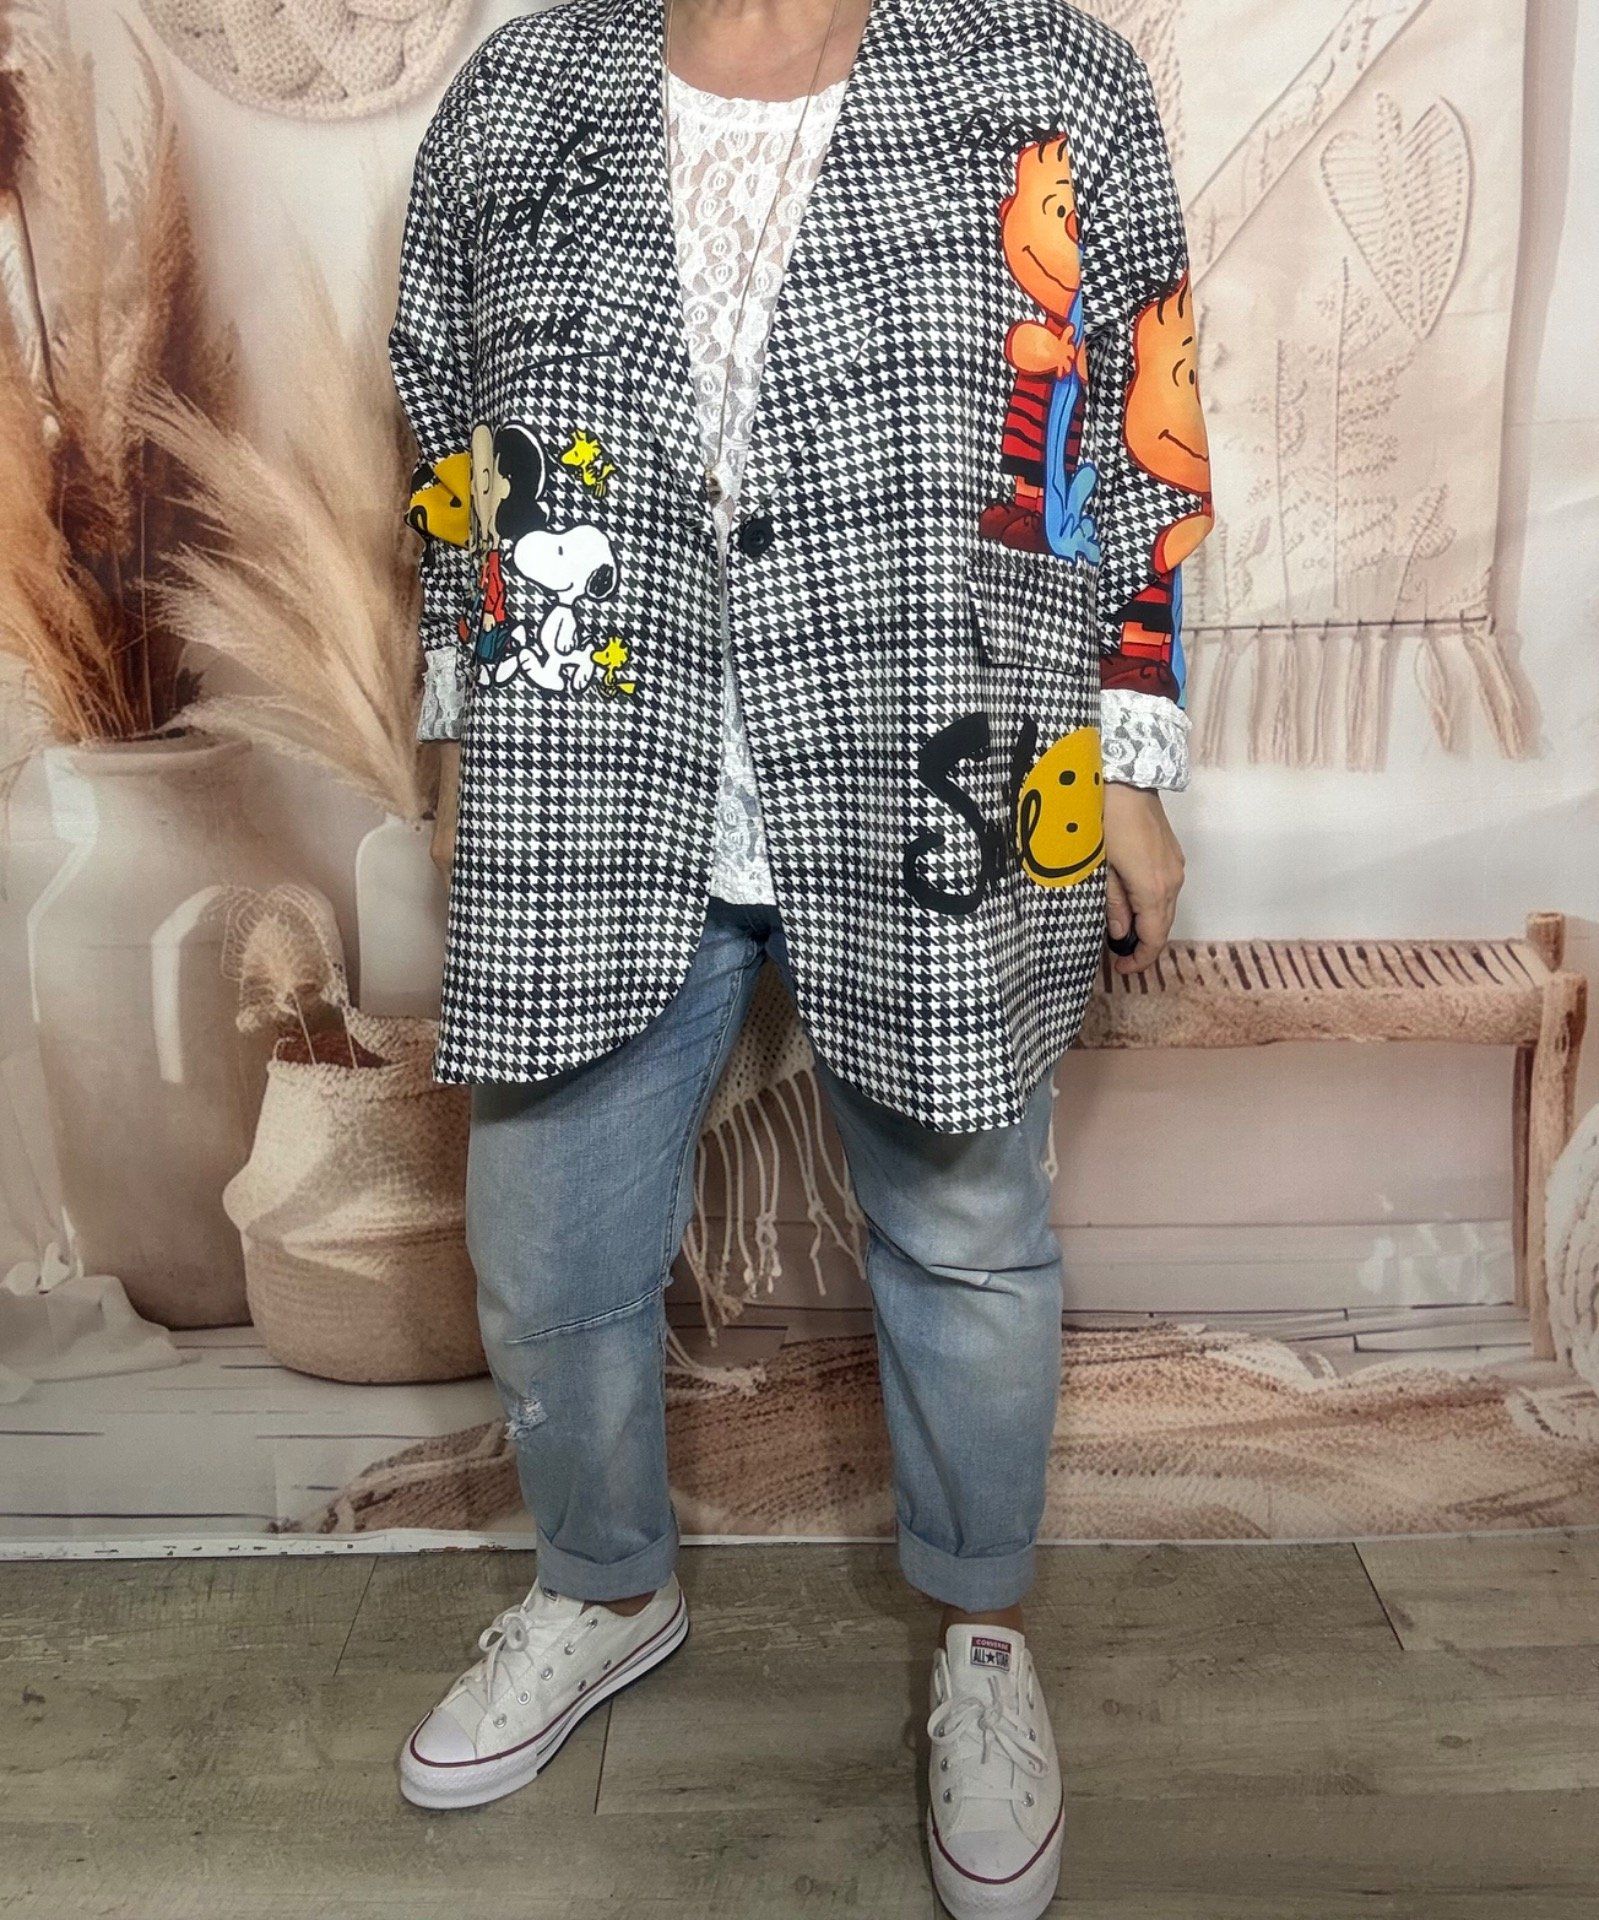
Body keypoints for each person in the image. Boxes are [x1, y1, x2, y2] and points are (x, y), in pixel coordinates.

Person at [388, 0, 1211, 1910]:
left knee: (971, 1224)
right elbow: (451, 422)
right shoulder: (524, 87)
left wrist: (1132, 755)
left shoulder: (1050, 76)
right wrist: (463, 721)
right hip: (591, 746)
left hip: (966, 745)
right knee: (543, 1239)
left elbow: (1138, 437)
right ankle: (603, 1590)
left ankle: (986, 1642)